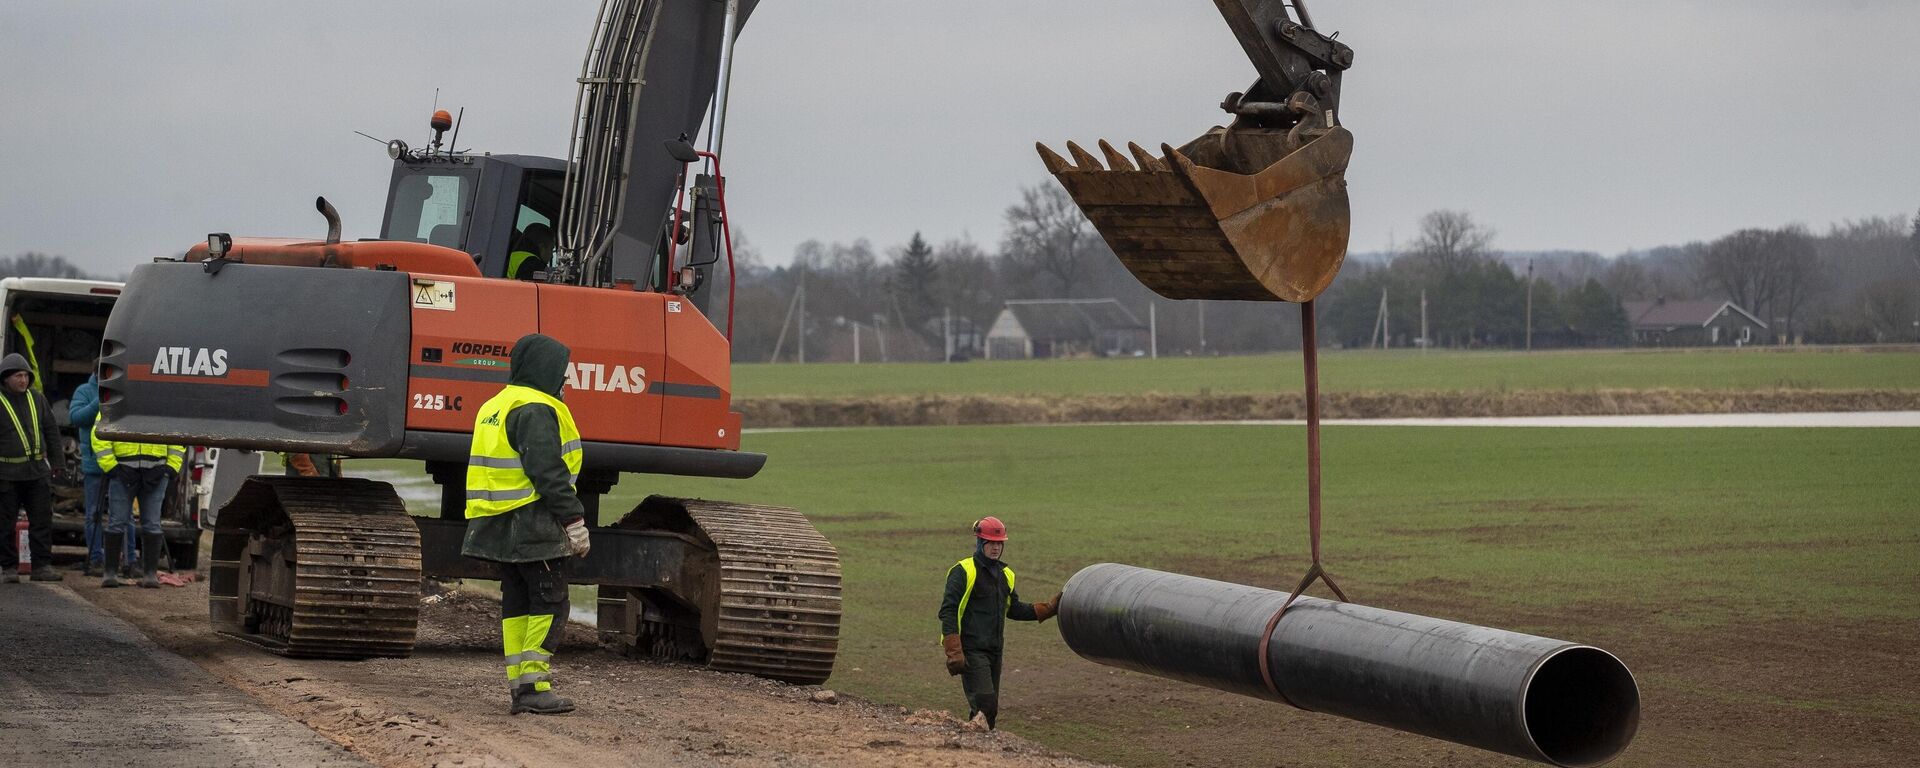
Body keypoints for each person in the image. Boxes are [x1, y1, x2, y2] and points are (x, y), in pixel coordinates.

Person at [462, 333, 590, 715]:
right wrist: (574, 521)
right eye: (561, 372)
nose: (564, 381)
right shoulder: (536, 408)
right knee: (550, 600)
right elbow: (548, 472)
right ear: (545, 369)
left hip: (497, 522)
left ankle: (521, 687)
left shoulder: (496, 404)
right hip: (531, 520)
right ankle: (534, 685)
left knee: (517, 603)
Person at [937, 516, 1059, 731]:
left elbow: (1013, 608)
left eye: (999, 543)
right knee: (986, 704)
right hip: (971, 650)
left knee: (988, 711)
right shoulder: (963, 571)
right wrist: (954, 650)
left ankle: (977, 748)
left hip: (995, 651)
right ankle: (976, 746)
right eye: (991, 543)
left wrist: (1047, 609)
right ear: (980, 543)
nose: (995, 548)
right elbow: (948, 611)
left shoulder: (1006, 575)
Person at [91, 425, 185, 588]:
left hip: (155, 471)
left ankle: (149, 575)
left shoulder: (165, 405)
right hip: (123, 470)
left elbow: (178, 435)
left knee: (151, 524)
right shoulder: (120, 400)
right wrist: (110, 466)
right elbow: (99, 432)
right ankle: (110, 574)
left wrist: (171, 467)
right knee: (118, 522)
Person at [0, 353, 63, 582]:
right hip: (6, 475)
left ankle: (41, 566)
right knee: (4, 524)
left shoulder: (37, 399)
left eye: (26, 375)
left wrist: (57, 462)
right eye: (18, 375)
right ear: (6, 378)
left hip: (36, 473)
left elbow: (51, 431)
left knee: (42, 521)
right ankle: (8, 568)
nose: (23, 380)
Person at [67, 373, 129, 577]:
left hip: (121, 464)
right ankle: (95, 559)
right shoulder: (84, 391)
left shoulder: (125, 390)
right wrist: (99, 401)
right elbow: (76, 418)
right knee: (94, 513)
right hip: (94, 465)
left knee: (123, 515)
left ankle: (128, 560)